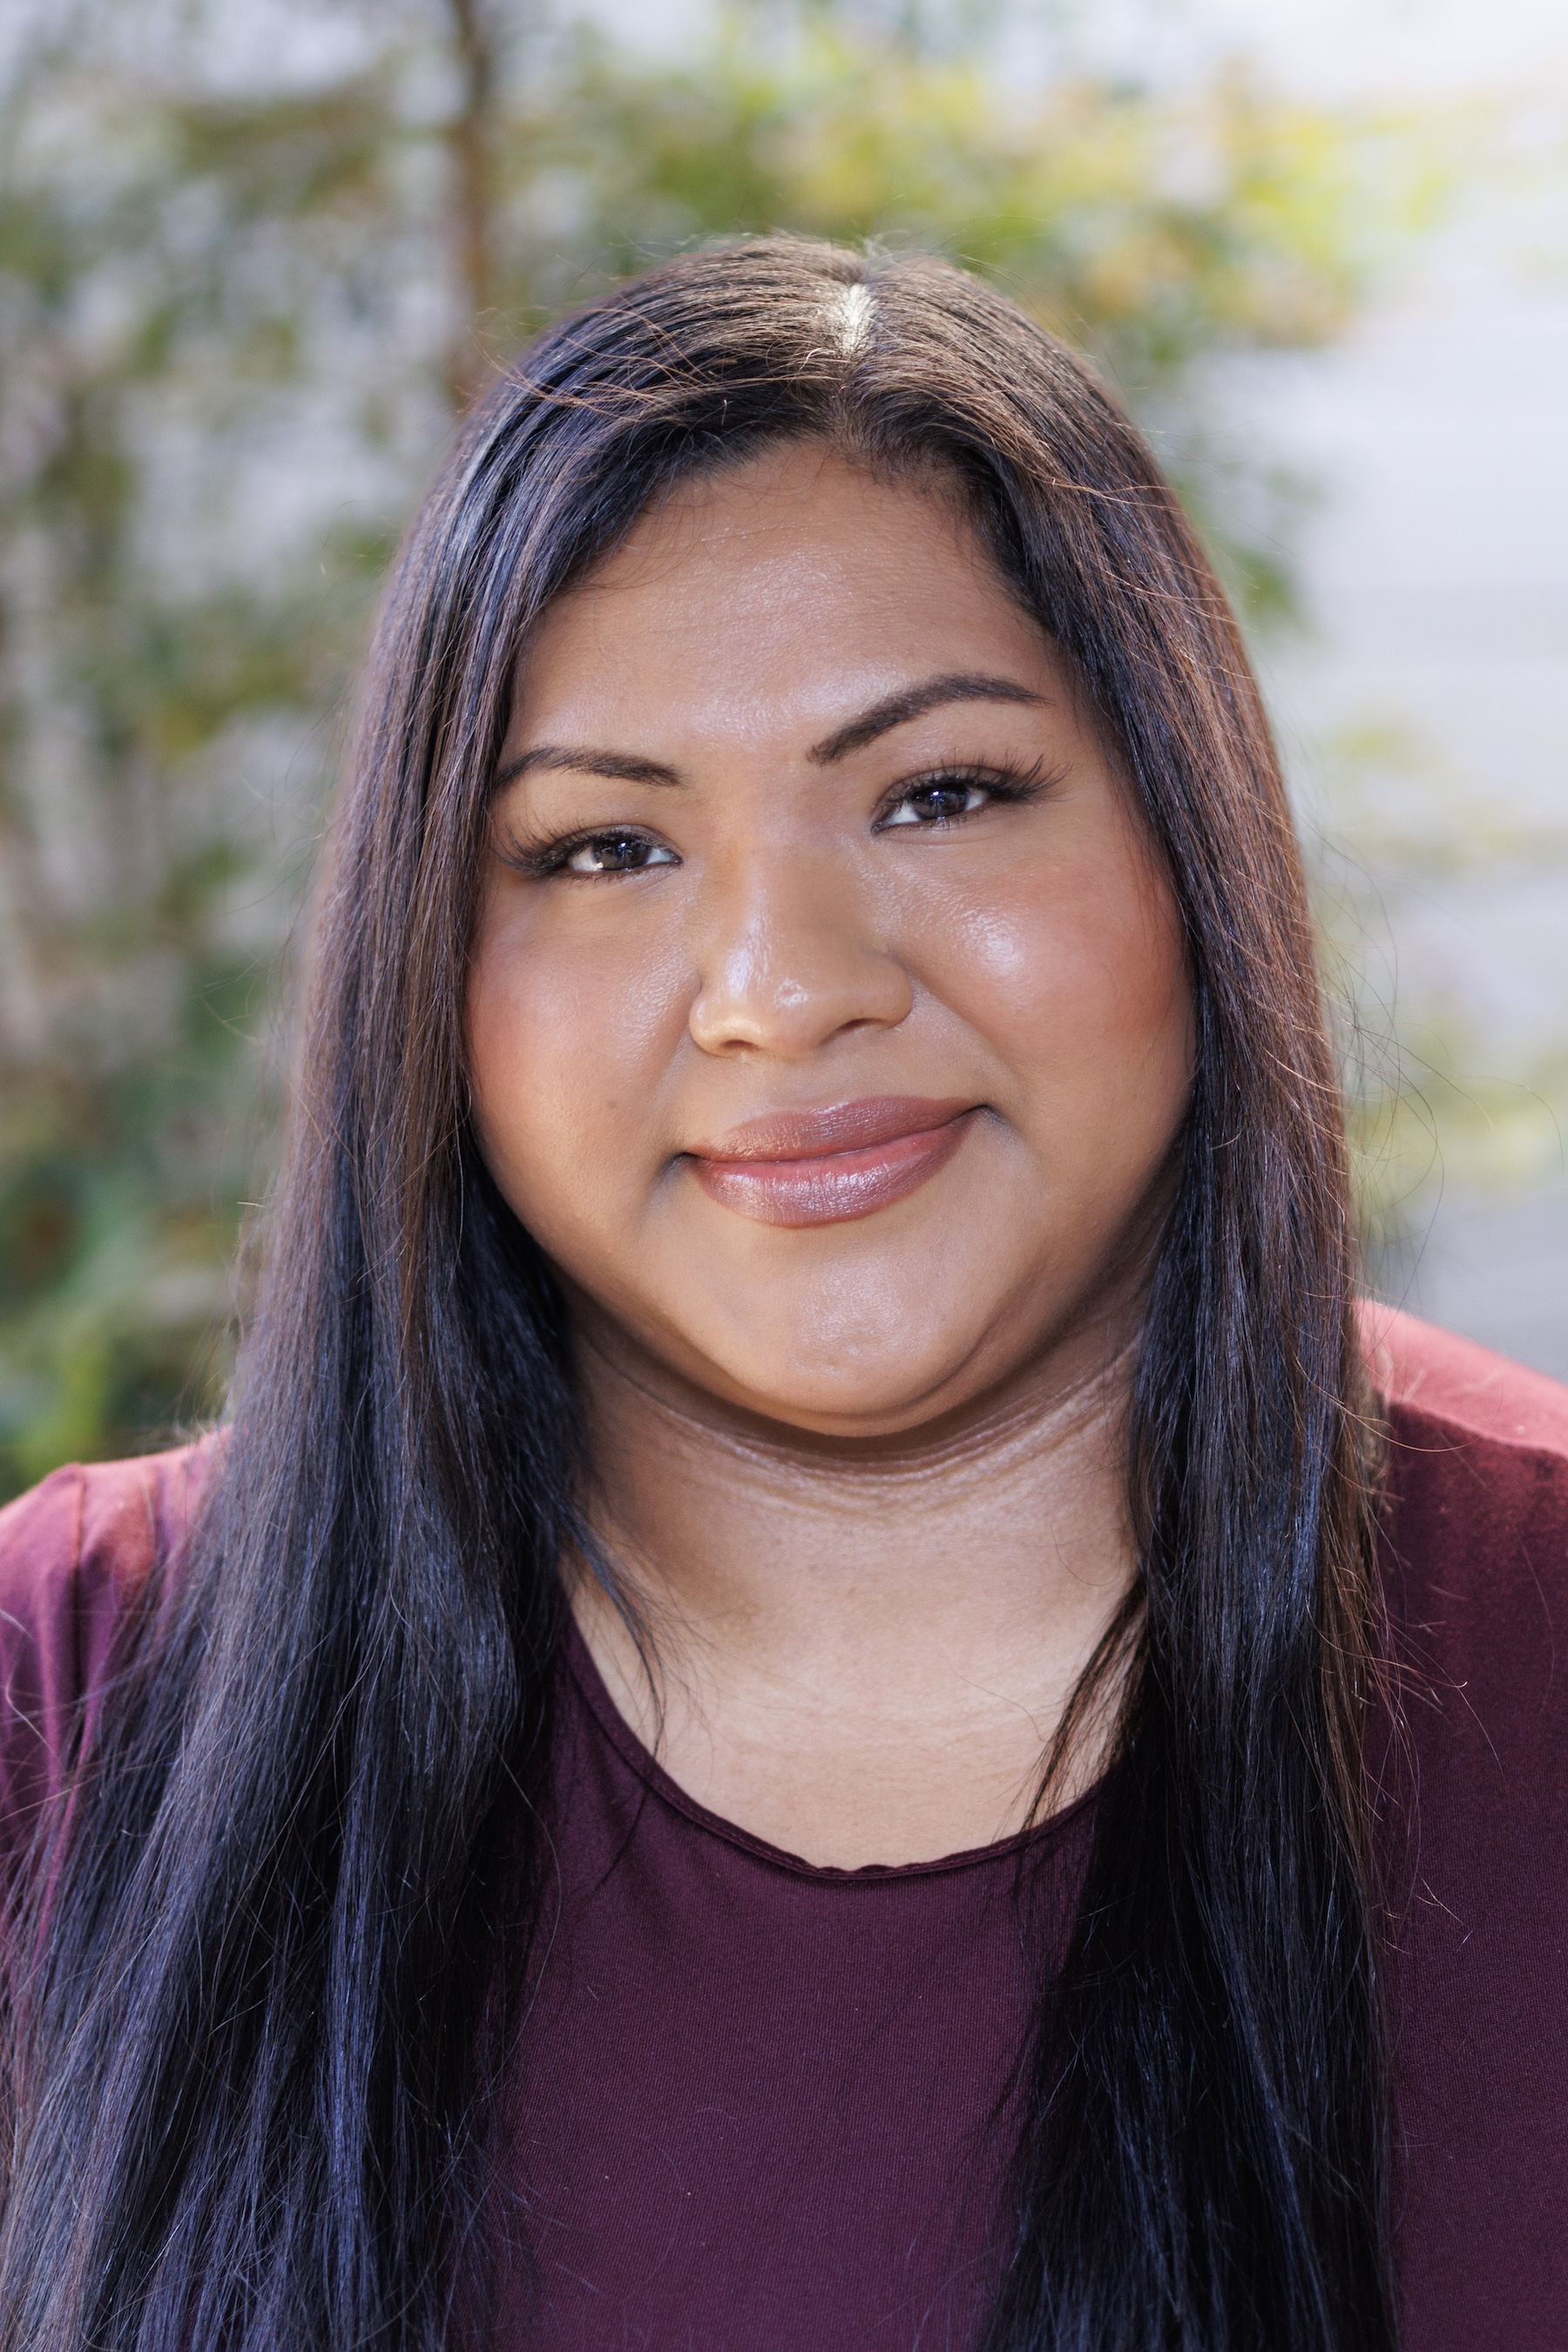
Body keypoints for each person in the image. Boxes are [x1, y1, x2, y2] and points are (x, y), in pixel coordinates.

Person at [0, 237, 1564, 2352]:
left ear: (1193, 846)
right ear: (432, 974)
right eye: (600, 851)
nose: (786, 992)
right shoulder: (71, 1697)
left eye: (942, 794)